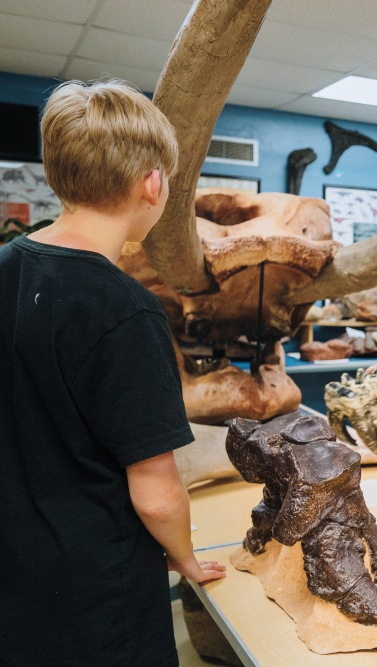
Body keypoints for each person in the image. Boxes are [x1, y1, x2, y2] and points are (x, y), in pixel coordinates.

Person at [0, 80, 226, 666]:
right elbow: (155, 492)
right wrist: (186, 557)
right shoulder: (125, 308)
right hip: (97, 604)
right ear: (153, 183)